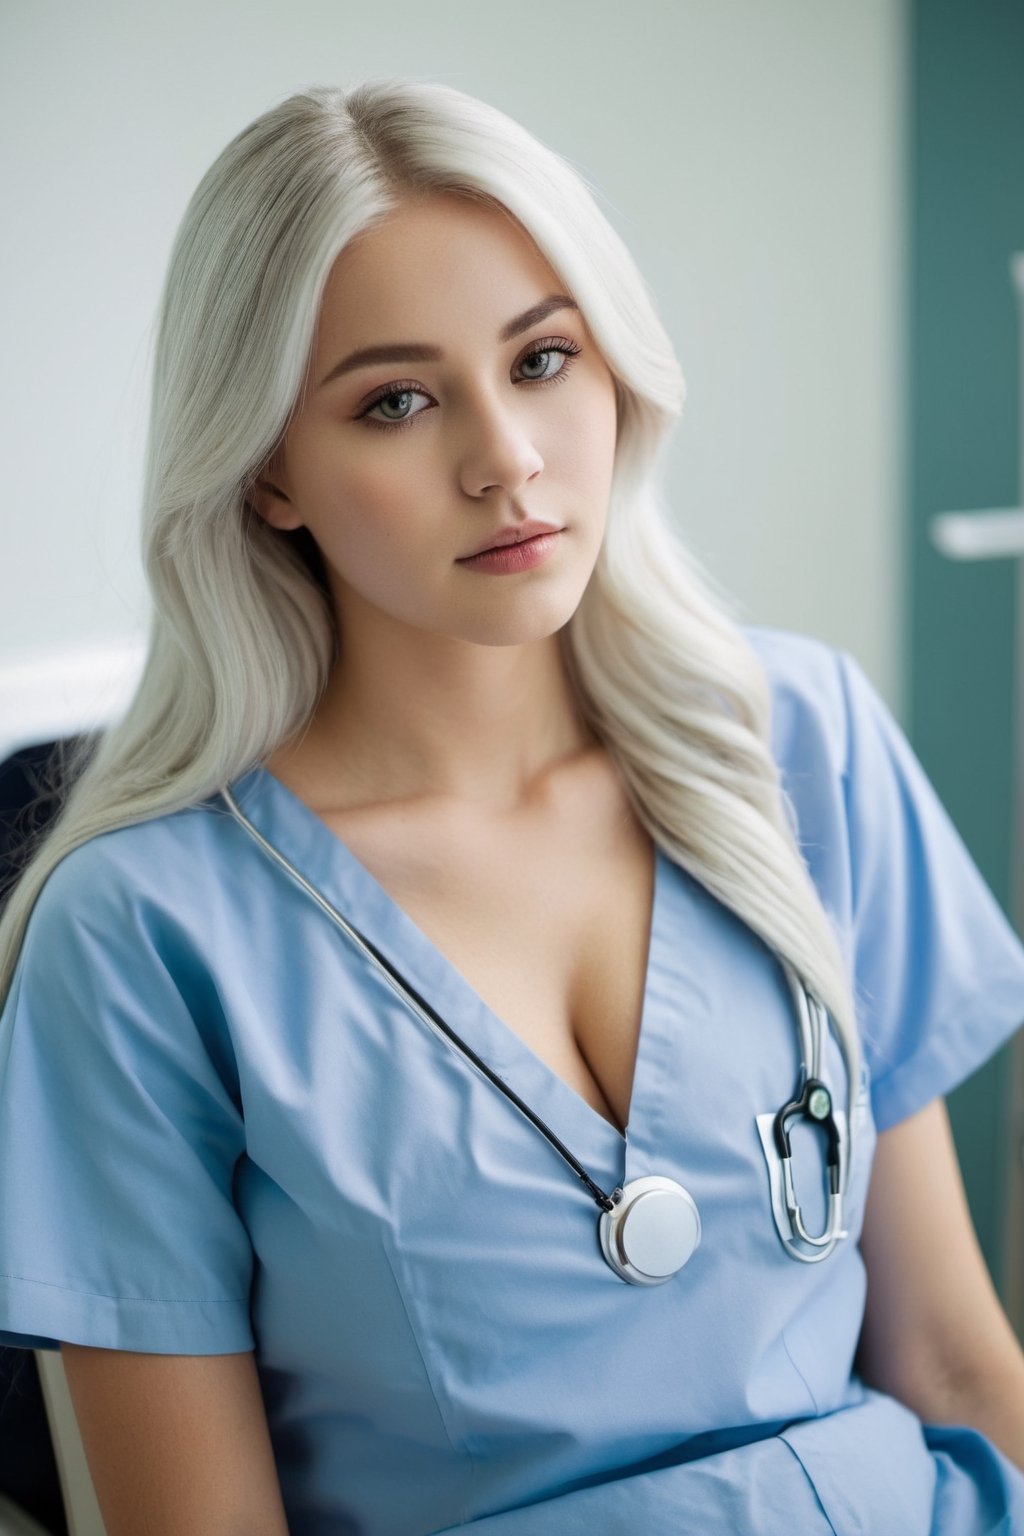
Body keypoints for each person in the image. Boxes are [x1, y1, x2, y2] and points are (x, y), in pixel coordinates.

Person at [0, 78, 1022, 1536]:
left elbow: (957, 1367)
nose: (508, 459)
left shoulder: (798, 741)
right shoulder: (142, 935)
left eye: (543, 358)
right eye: (397, 401)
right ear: (270, 470)